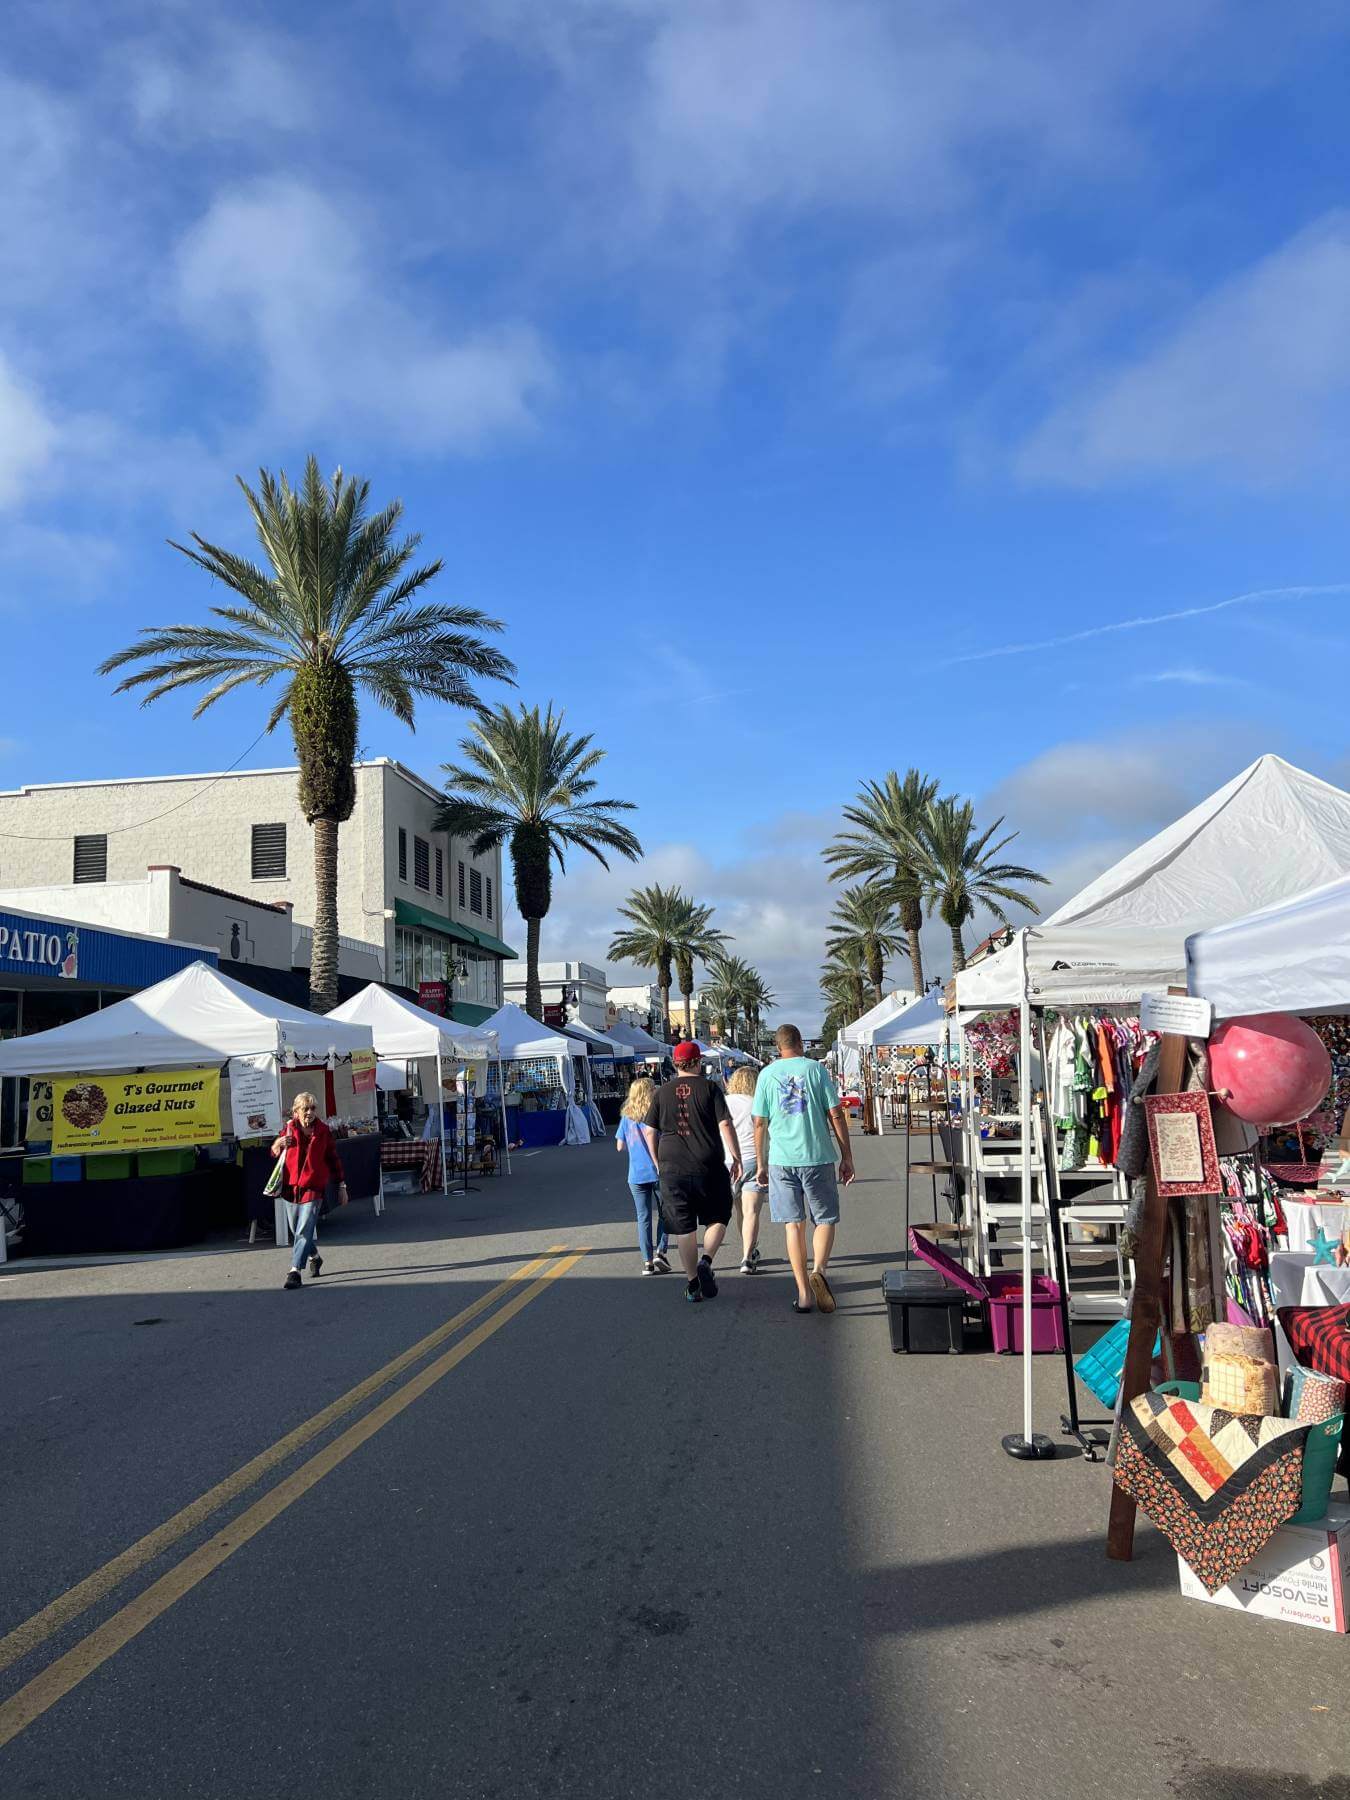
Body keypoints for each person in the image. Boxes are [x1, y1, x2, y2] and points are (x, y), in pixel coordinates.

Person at [752, 1024, 854, 1314]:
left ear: (777, 1046)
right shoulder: (816, 1070)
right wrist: (847, 1155)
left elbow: (759, 1122)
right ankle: (819, 1269)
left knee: (793, 1225)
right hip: (817, 1156)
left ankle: (804, 1293)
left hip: (782, 1160)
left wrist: (760, 1162)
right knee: (824, 1219)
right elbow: (835, 1113)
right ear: (800, 1042)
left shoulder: (766, 1075)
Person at [646, 1039, 742, 1303]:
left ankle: (692, 1284)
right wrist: (736, 1156)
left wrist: (657, 1161)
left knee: (684, 1227)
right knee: (719, 1216)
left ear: (676, 1064)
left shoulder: (662, 1092)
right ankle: (706, 1261)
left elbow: (649, 1130)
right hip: (707, 1162)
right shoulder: (710, 1088)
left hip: (671, 1165)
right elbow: (725, 1125)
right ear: (698, 1062)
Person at [270, 1092, 347, 1291]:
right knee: (297, 1229)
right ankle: (315, 1257)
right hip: (290, 1187)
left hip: (313, 1187)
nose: (310, 1113)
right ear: (296, 1111)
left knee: (304, 1229)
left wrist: (341, 1185)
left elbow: (333, 1159)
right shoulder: (288, 1129)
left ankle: (295, 1271)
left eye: (313, 1108)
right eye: (305, 1108)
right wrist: (278, 1144)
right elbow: (273, 1152)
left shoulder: (323, 1130)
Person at [615, 1075, 670, 1275]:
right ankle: (661, 1251)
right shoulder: (656, 1113)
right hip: (657, 1171)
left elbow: (619, 1146)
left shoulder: (626, 1117)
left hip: (636, 1174)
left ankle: (647, 1262)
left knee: (643, 1217)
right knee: (665, 1213)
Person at [724, 1065, 763, 1274]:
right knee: (750, 1212)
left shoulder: (723, 1102)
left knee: (736, 1211)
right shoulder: (756, 1103)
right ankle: (747, 1256)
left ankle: (747, 1249)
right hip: (751, 1159)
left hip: (727, 1161)